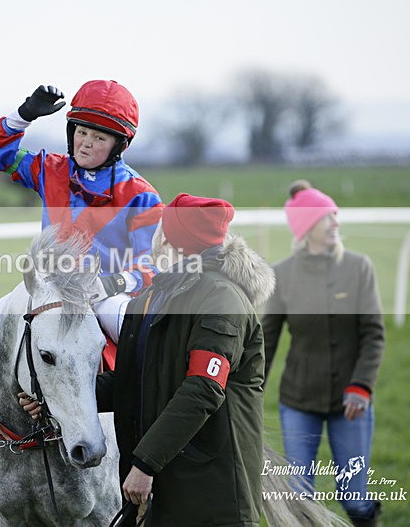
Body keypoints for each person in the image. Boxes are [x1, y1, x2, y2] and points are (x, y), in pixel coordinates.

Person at [28, 193, 274, 525]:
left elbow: (202, 390)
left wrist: (145, 464)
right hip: (163, 484)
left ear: (175, 242)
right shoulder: (150, 296)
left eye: (163, 228)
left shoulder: (221, 299)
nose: (155, 236)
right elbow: (131, 380)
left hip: (211, 491)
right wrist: (55, 397)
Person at [0, 81, 164, 366]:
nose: (86, 142)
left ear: (120, 145)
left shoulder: (142, 195)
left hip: (103, 295)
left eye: (100, 138)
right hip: (47, 288)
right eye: (82, 131)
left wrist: (112, 284)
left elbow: (150, 264)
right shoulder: (48, 168)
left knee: (137, 334)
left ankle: (145, 407)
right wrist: (24, 114)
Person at [261, 180, 385, 527]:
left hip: (352, 403)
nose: (336, 223)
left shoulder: (359, 268)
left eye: (335, 215)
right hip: (298, 402)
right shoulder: (282, 275)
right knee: (299, 499)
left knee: (355, 499)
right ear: (306, 227)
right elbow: (266, 342)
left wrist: (361, 385)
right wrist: (250, 391)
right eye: (327, 217)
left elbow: (373, 335)